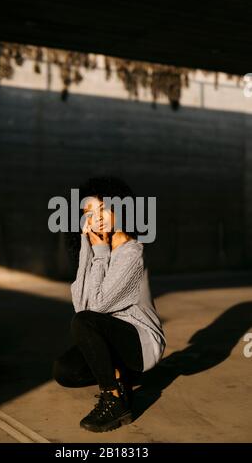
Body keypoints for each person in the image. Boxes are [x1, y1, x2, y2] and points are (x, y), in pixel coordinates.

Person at [53, 176, 166, 433]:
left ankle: (114, 399)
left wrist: (100, 252)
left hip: (141, 341)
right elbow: (81, 305)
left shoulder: (132, 252)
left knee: (85, 323)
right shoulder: (97, 247)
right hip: (113, 336)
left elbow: (96, 309)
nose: (97, 218)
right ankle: (123, 375)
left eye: (103, 208)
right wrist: (86, 247)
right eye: (88, 214)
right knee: (65, 371)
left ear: (121, 208)